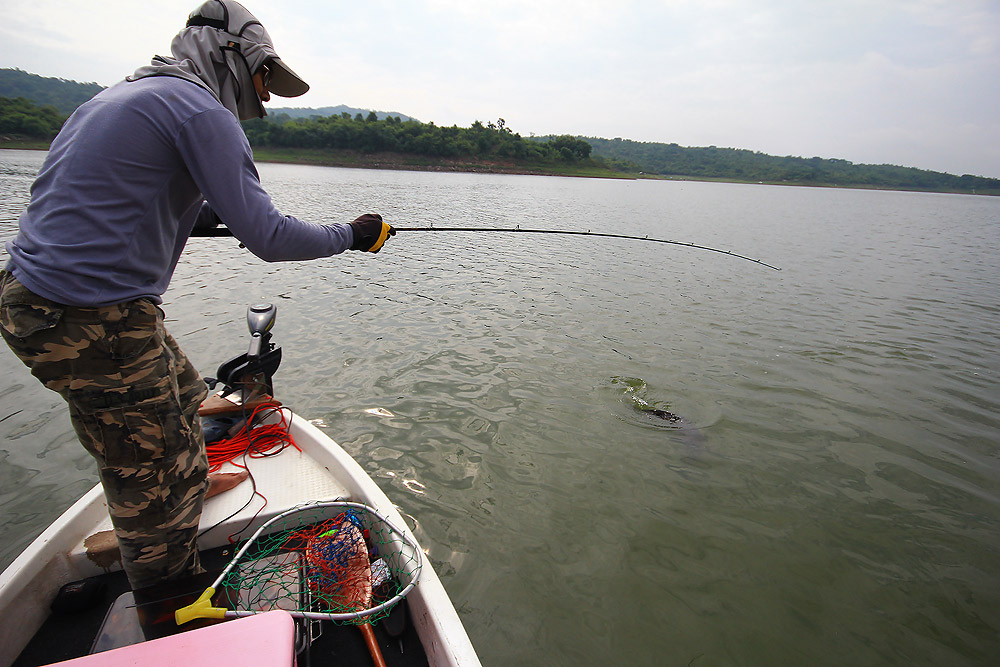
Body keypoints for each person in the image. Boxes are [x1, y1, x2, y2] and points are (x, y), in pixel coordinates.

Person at [0, 0, 394, 590]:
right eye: (265, 76)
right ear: (231, 55)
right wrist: (353, 237)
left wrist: (204, 216)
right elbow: (271, 237)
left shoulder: (122, 96)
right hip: (94, 316)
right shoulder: (201, 111)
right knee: (146, 476)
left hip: (35, 300)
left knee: (184, 390)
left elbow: (120, 193)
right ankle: (168, 607)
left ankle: (187, 478)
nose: (263, 95)